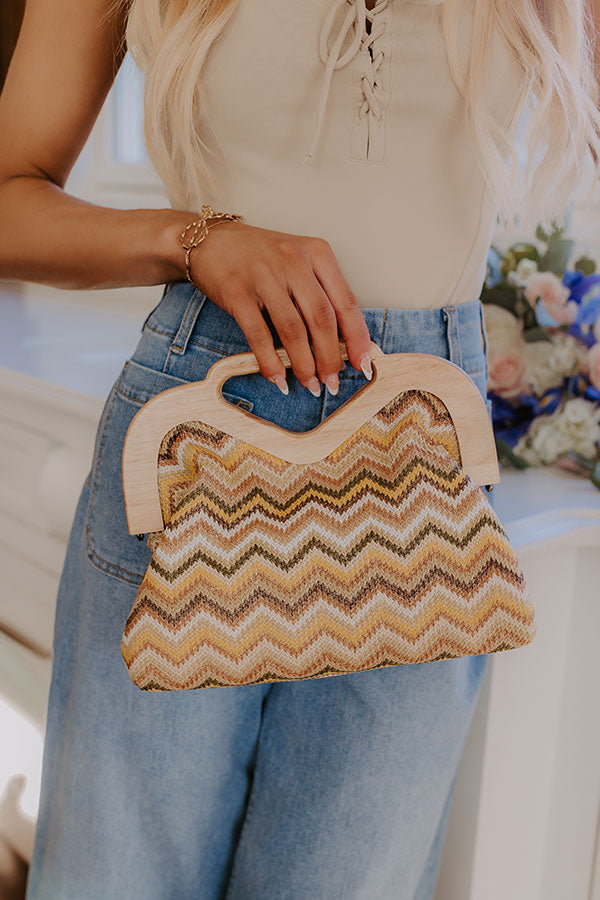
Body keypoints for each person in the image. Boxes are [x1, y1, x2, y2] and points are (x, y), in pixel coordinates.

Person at [1, 0, 599, 897]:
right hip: (201, 432)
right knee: (114, 876)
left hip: (421, 448)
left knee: (352, 879)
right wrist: (192, 240)